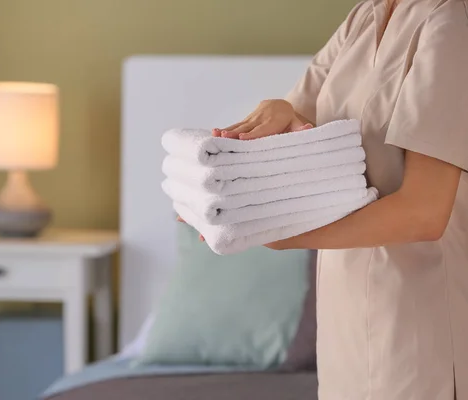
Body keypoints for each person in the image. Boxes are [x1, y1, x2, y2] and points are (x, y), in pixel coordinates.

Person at [182, 0, 468, 398]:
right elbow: (299, 121)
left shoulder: (451, 22)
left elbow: (424, 212)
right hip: (344, 327)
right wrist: (272, 115)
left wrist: (281, 233)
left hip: (418, 328)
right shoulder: (364, 17)